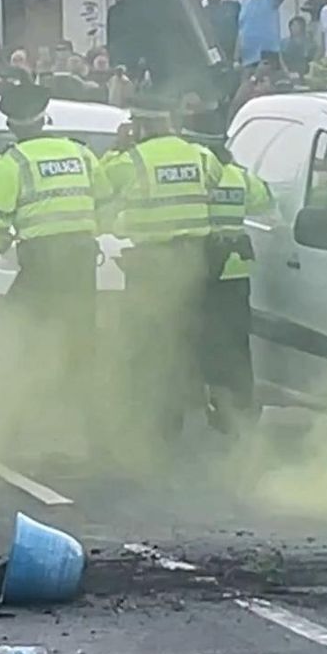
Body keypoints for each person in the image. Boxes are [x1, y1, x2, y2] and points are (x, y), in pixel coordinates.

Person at [0, 84, 111, 449]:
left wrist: (0, 245)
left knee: (23, 340)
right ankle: (94, 433)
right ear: (44, 117)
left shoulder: (11, 163)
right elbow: (104, 201)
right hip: (82, 261)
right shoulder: (80, 153)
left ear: (11, 124)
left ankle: (14, 430)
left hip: (40, 263)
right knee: (81, 346)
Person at [102, 106, 222, 437]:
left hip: (151, 263)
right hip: (194, 261)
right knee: (184, 336)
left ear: (140, 126)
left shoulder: (132, 160)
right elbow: (216, 179)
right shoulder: (200, 155)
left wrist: (117, 146)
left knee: (148, 342)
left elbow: (101, 184)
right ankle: (187, 407)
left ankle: (153, 417)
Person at [185, 112, 271, 432]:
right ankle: (240, 404)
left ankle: (207, 401)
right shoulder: (239, 176)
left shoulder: (198, 176)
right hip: (236, 272)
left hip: (204, 266)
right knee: (236, 341)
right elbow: (264, 201)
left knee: (201, 337)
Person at [236, 0, 288, 67]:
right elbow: (241, 32)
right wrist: (236, 57)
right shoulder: (244, 4)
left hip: (267, 58)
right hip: (247, 59)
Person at [201, 0, 241, 65]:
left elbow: (242, 28)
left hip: (235, 53)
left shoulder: (232, 6)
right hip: (217, 57)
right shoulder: (203, 12)